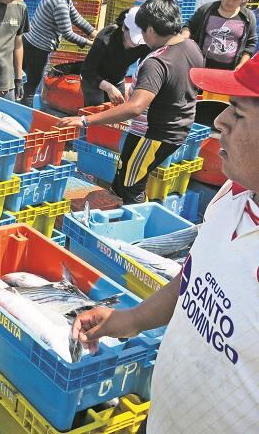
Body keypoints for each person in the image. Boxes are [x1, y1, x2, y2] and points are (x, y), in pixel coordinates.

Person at [78, 48, 259, 433]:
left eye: (240, 113)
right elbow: (195, 279)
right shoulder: (232, 195)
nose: (221, 121)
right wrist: (128, 321)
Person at [58, 0, 204, 203]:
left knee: (128, 186)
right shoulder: (190, 46)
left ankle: (131, 229)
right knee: (131, 180)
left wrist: (85, 120)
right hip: (178, 127)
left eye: (144, 31)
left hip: (152, 135)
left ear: (151, 29)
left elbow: (136, 107)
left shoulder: (157, 61)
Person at [21, 0, 97, 106]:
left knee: (24, 81)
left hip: (31, 43)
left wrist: (94, 33)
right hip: (37, 49)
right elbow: (68, 33)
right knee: (31, 85)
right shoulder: (60, 2)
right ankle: (25, 112)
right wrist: (90, 43)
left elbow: (76, 17)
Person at [80, 7, 151, 106]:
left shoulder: (144, 43)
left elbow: (145, 68)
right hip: (94, 79)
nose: (137, 43)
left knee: (117, 111)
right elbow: (86, 71)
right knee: (96, 113)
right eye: (133, 37)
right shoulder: (105, 38)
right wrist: (108, 87)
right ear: (123, 28)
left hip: (118, 79)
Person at [183, 0, 256, 71]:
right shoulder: (207, 10)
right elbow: (188, 25)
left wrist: (242, 64)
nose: (230, 2)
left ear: (243, 0)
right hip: (201, 64)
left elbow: (250, 43)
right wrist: (185, 37)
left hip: (230, 69)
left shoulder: (248, 17)